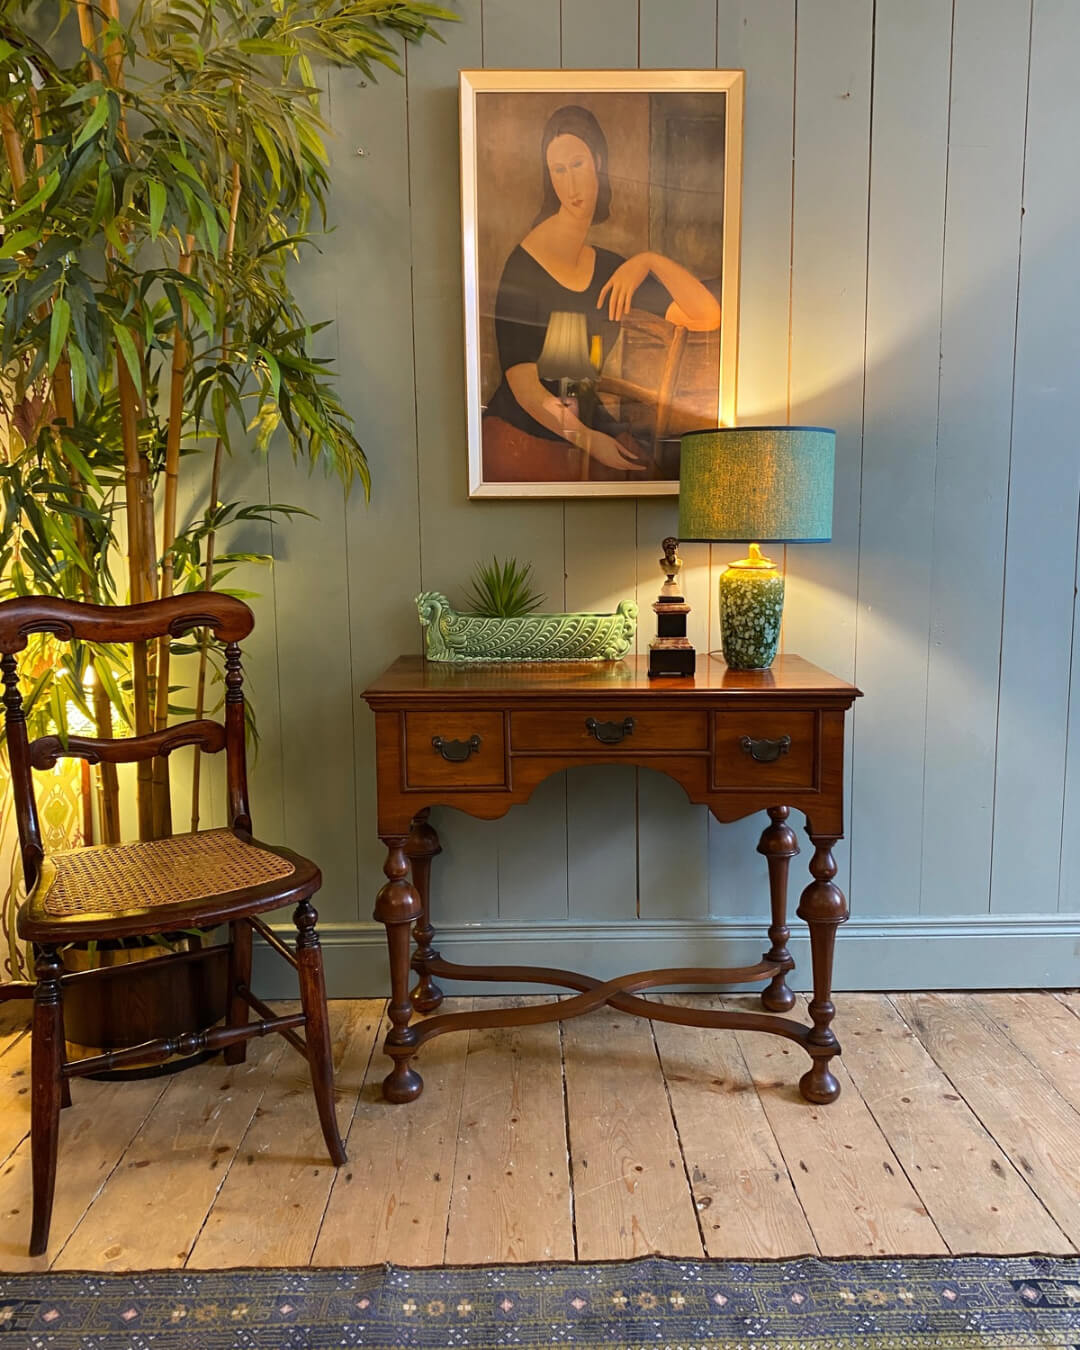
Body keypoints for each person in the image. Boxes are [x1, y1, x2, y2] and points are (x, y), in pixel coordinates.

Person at [482, 104, 722, 483]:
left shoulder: (612, 270)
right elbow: (525, 387)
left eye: (577, 165)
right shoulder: (525, 265)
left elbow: (707, 315)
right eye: (558, 171)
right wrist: (588, 439)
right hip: (523, 433)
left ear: (596, 160)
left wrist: (650, 260)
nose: (571, 186)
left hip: (587, 425)